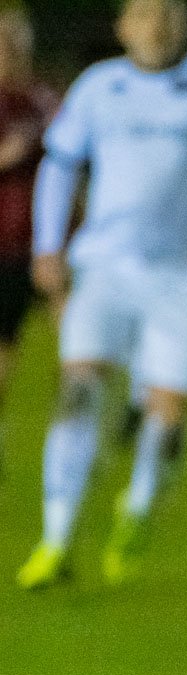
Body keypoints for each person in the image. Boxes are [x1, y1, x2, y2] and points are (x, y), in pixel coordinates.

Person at [18, 0, 187, 590]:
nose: (157, 27)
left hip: (179, 277)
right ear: (122, 26)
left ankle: (136, 511)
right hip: (105, 269)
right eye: (144, 15)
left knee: (167, 420)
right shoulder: (99, 87)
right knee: (79, 389)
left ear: (184, 25)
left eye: (169, 16)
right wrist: (47, 245)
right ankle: (56, 540)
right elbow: (60, 165)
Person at [0, 6, 56, 473]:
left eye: (17, 40)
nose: (11, 50)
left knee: (11, 344)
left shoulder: (41, 100)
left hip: (35, 243)